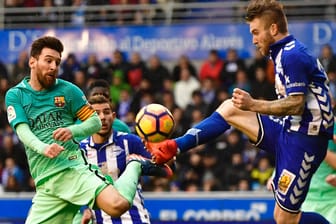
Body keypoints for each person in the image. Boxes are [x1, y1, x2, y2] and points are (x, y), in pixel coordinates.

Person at [146, 1, 334, 224]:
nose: (253, 40)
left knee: (285, 219)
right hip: (289, 131)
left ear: (273, 29)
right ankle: (175, 145)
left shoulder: (292, 56)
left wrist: (253, 104)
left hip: (305, 142)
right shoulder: (283, 53)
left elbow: (296, 104)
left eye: (256, 32)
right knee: (230, 108)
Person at [5, 36, 170, 224]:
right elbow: (22, 131)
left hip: (71, 168)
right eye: (48, 60)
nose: (53, 66)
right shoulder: (15, 95)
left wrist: (72, 130)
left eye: (57, 62)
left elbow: (94, 122)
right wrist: (43, 148)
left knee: (117, 205)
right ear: (32, 62)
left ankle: (135, 165)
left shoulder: (68, 91)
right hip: (45, 182)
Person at [79, 95, 172, 224]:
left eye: (106, 112)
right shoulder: (80, 150)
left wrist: (166, 154)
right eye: (96, 113)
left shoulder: (130, 142)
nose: (102, 117)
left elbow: (165, 169)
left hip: (134, 219)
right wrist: (85, 210)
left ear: (114, 116)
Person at [301, 118, 336, 223]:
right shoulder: (299, 124)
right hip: (306, 197)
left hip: (331, 200)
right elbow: (290, 156)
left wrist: (318, 146)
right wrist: (275, 175)